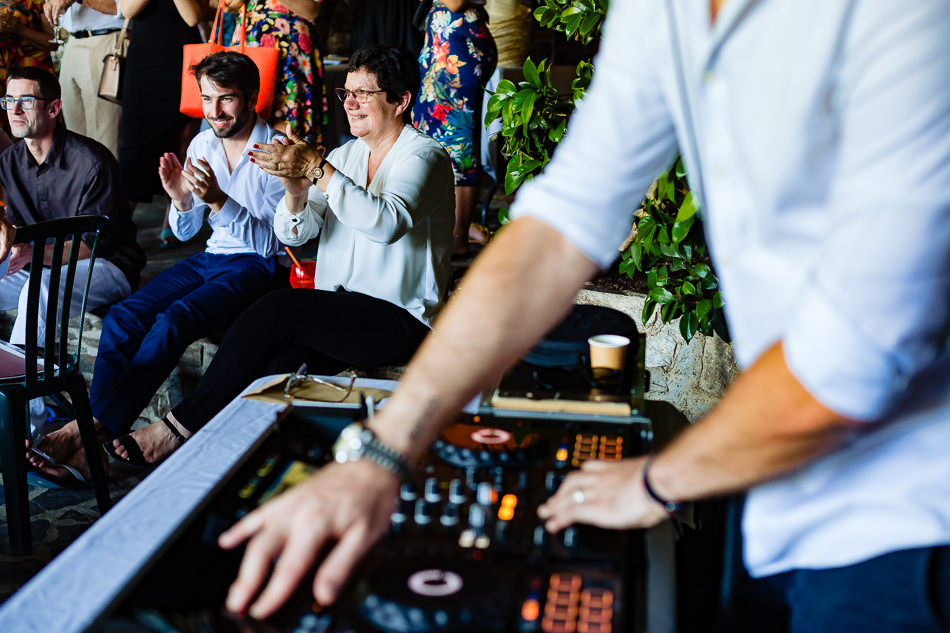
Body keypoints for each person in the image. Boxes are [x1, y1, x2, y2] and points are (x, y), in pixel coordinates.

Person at [215, 1, 950, 630]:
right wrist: (385, 452)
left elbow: (855, 352)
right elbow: (559, 226)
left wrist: (657, 480)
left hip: (909, 519)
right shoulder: (663, 13)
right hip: (777, 496)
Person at [103, 44, 454, 467]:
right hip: (341, 312)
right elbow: (295, 233)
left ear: (400, 101)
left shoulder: (424, 156)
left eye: (364, 93)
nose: (350, 103)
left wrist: (318, 171)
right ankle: (222, 462)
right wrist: (294, 192)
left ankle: (175, 430)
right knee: (273, 369)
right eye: (347, 93)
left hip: (399, 318)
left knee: (276, 309)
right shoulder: (345, 156)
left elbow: (385, 224)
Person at [26, 52, 290, 482]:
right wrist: (180, 199)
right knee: (124, 316)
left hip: (258, 267)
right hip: (211, 257)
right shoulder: (203, 144)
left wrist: (220, 202)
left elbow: (274, 244)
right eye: (207, 99)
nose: (214, 111)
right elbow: (187, 232)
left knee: (174, 319)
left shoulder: (278, 152)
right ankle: (93, 437)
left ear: (251, 96)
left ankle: (86, 431)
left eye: (226, 99)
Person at [0, 66, 144, 349]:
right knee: (36, 283)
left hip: (107, 264)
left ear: (54, 109)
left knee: (42, 288)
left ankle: (27, 377)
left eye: (26, 101)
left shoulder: (91, 162)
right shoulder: (9, 162)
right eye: (9, 100)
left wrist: (31, 253)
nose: (14, 110)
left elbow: (91, 246)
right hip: (37, 264)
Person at [118, 0, 206, 247]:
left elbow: (193, 17)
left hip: (183, 58)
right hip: (144, 59)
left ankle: (174, 217)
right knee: (134, 143)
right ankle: (120, 223)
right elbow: (128, 10)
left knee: (180, 141)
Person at [412, 0, 496, 257]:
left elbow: (455, 2)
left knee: (459, 150)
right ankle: (452, 230)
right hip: (443, 45)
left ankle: (458, 238)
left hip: (454, 53)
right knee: (434, 142)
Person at [226, 0, 326, 143]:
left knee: (290, 119)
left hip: (289, 51)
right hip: (248, 43)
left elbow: (311, 11)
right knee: (245, 109)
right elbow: (227, 5)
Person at [43, 0, 125, 157]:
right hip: (71, 43)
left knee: (105, 140)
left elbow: (119, 8)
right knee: (74, 143)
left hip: (105, 40)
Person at [0, 0, 55, 136]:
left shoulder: (37, 2)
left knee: (40, 126)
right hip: (2, 75)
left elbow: (53, 42)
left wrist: (20, 29)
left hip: (34, 75)